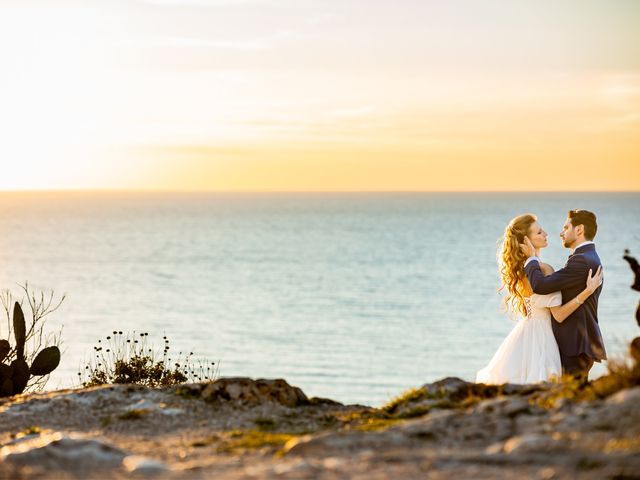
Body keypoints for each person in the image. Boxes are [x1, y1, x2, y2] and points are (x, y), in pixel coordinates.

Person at [476, 213, 602, 385]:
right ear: (527, 241)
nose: (546, 234)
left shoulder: (522, 272)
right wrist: (587, 291)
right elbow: (558, 315)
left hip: (525, 333)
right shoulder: (544, 270)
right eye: (539, 233)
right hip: (543, 337)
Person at [521, 209, 606, 381]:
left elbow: (540, 285)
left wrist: (531, 258)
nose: (561, 233)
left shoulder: (581, 260)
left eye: (566, 227)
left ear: (579, 229)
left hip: (574, 346)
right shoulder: (588, 257)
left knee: (572, 398)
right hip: (576, 344)